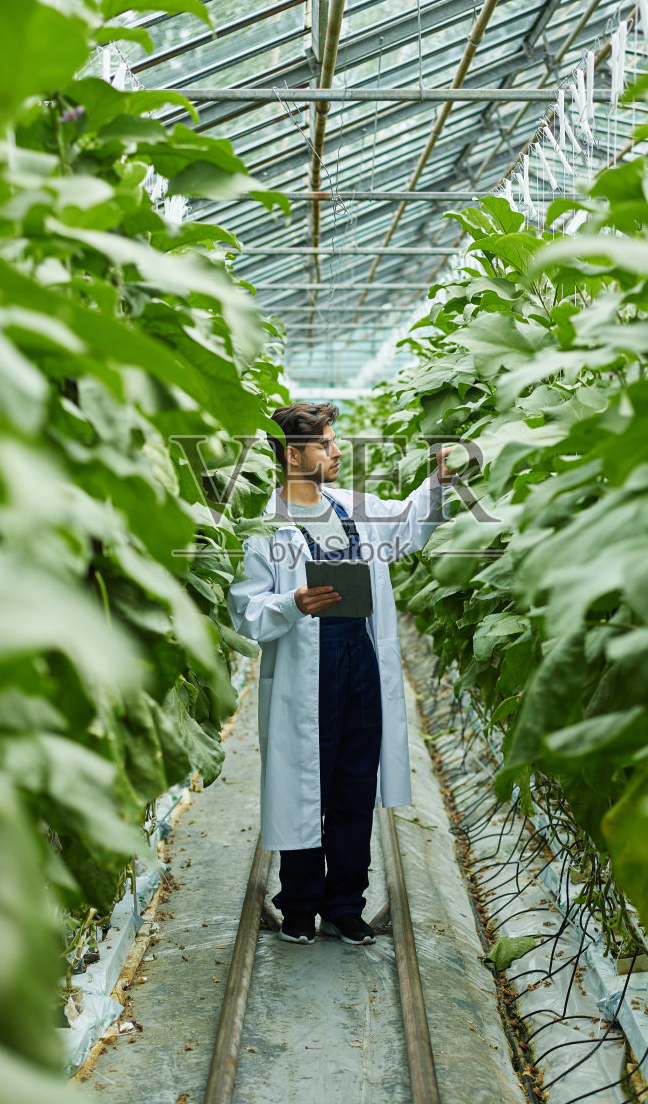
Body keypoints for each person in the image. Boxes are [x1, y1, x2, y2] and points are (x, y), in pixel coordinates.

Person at [227, 402, 458, 945]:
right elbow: (247, 611)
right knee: (306, 783)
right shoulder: (265, 526)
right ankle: (301, 906)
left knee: (354, 785)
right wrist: (294, 604)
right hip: (308, 665)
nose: (336, 451)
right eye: (326, 443)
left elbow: (406, 526)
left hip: (360, 663)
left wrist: (439, 480)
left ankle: (346, 904)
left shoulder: (352, 507)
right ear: (292, 454)